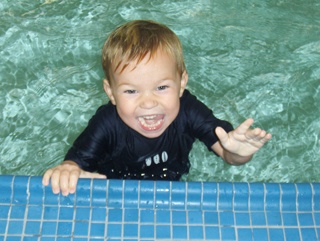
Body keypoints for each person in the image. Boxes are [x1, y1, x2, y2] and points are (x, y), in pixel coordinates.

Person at [42, 20, 272, 196]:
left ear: (181, 83)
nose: (149, 103)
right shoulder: (106, 123)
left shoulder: (188, 110)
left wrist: (239, 153)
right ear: (111, 92)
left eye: (161, 87)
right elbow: (75, 164)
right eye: (131, 91)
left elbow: (228, 154)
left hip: (169, 192)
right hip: (114, 192)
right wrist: (68, 169)